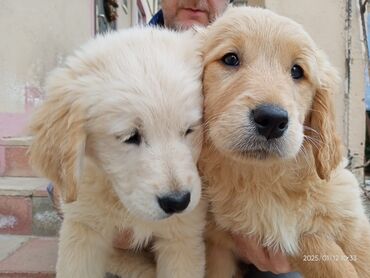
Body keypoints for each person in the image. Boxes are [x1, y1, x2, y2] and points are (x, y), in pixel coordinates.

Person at [49, 1, 302, 277]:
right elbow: (62, 168)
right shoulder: (111, 61)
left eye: (189, 129)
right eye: (130, 135)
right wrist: (71, 192)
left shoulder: (259, 46)